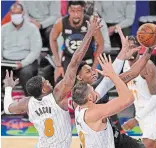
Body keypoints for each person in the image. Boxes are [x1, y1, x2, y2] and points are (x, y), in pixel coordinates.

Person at [3, 15, 102, 148]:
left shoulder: (27, 103)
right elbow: (75, 61)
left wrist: (9, 88)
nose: (49, 82)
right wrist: (89, 34)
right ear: (43, 89)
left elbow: (7, 109)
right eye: (46, 82)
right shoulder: (56, 96)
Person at [74, 26, 155, 148]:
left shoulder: (88, 94)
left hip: (109, 134)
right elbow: (122, 94)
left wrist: (148, 50)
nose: (93, 73)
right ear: (79, 78)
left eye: (91, 69)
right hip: (102, 139)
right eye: (87, 72)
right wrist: (112, 73)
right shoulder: (87, 100)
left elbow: (131, 73)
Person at [73, 54, 135, 148]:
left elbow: (105, 84)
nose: (96, 92)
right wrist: (112, 75)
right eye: (93, 91)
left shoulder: (78, 107)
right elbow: (128, 99)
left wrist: (121, 55)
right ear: (90, 98)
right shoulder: (94, 112)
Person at [121, 36, 156, 148]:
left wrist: (136, 119)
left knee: (146, 145)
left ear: (139, 48)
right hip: (141, 111)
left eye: (132, 47)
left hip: (154, 111)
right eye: (127, 47)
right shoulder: (126, 66)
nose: (129, 50)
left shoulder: (148, 66)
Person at [50, 0, 104, 82]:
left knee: (92, 81)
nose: (76, 14)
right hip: (69, 58)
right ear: (68, 10)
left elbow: (101, 44)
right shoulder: (60, 23)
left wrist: (94, 67)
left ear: (83, 10)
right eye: (73, 11)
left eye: (78, 11)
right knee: (60, 80)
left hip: (87, 59)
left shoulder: (90, 22)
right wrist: (58, 65)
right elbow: (52, 39)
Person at [1, 3, 42, 96]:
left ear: (23, 13)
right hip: (6, 62)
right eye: (13, 13)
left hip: (26, 62)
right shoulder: (3, 29)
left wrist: (23, 63)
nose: (16, 16)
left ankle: (30, 103)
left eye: (18, 13)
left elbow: (35, 51)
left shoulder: (32, 29)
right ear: (10, 14)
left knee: (26, 73)